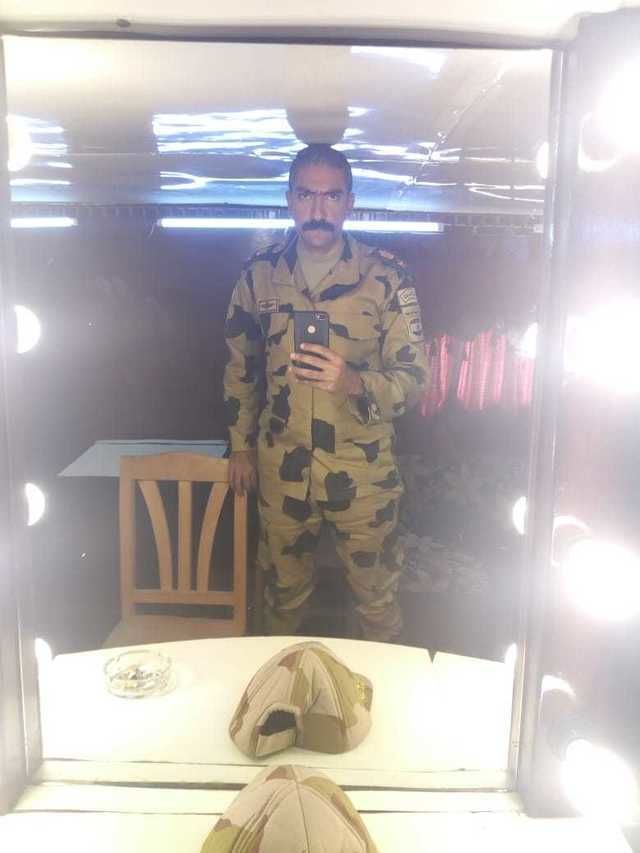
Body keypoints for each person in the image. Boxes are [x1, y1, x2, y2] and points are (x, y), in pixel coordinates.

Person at [223, 144, 428, 642]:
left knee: (376, 602)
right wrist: (241, 446)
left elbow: (414, 381)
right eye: (307, 195)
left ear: (349, 202)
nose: (318, 210)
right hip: (282, 468)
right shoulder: (259, 274)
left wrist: (354, 381)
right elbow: (239, 366)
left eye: (331, 196)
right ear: (289, 199)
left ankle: (379, 691)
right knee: (281, 598)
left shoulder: (386, 279)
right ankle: (282, 687)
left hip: (362, 471)